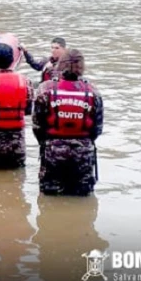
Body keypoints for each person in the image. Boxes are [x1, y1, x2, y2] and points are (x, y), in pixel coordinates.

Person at [32, 49, 104, 196]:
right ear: (82, 67)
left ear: (60, 65)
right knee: (82, 201)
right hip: (83, 154)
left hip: (52, 152)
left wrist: (48, 144)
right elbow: (97, 129)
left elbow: (37, 126)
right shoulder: (93, 92)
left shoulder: (45, 89)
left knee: (50, 202)